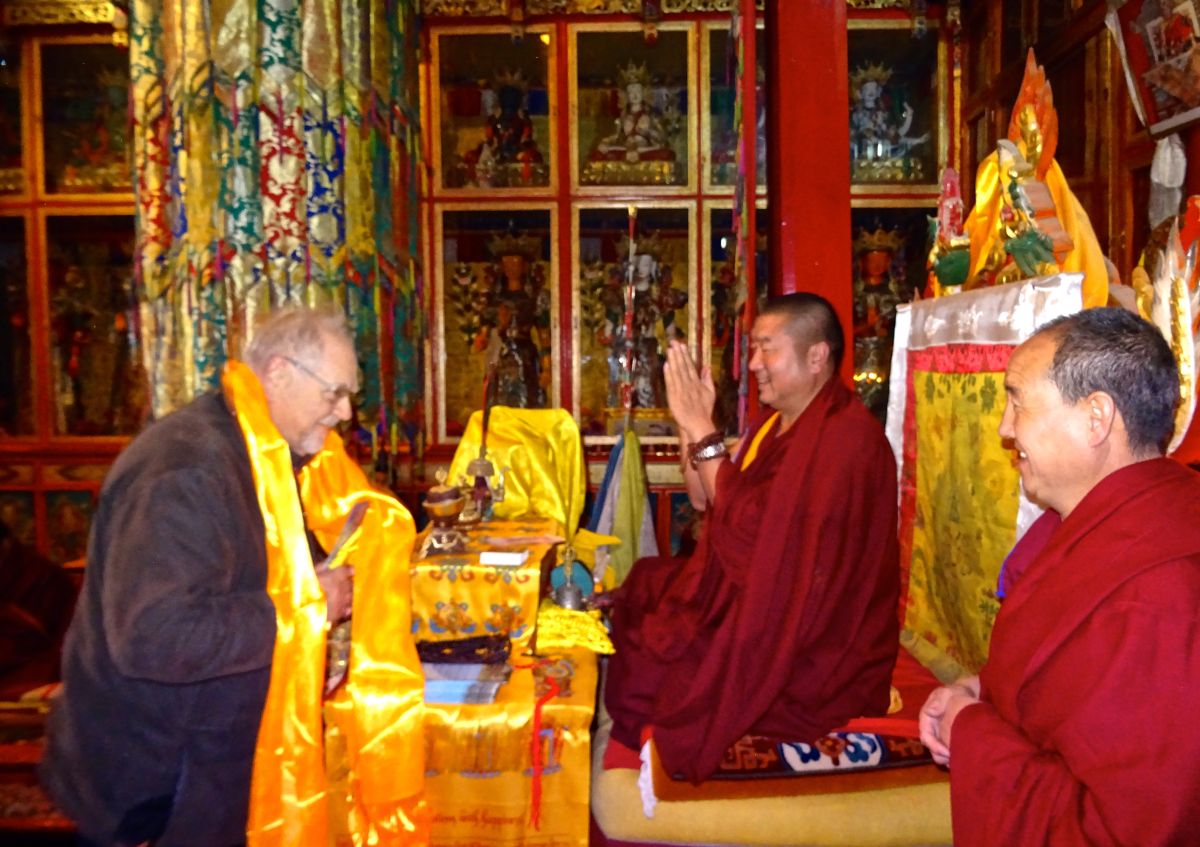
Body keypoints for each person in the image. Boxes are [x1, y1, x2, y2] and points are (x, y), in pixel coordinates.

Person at [40, 308, 426, 846]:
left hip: (211, 759)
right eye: (335, 393)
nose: (344, 412)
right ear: (279, 371)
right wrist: (308, 605)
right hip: (160, 774)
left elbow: (251, 570)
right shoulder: (186, 470)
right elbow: (156, 638)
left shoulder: (260, 451)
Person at [919, 307, 1200, 845]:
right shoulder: (1094, 520)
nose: (1005, 430)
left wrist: (969, 730)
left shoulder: (1163, 596)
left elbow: (1124, 833)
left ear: (1096, 418)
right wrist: (982, 690)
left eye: (1018, 401)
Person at [604, 292, 901, 784]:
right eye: (753, 349)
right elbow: (706, 499)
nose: (754, 364)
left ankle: (634, 766)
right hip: (768, 590)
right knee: (647, 585)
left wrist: (703, 429)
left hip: (813, 639)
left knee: (681, 668)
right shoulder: (774, 426)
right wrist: (690, 424)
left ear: (816, 356)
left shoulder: (848, 441)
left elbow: (755, 542)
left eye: (767, 348)